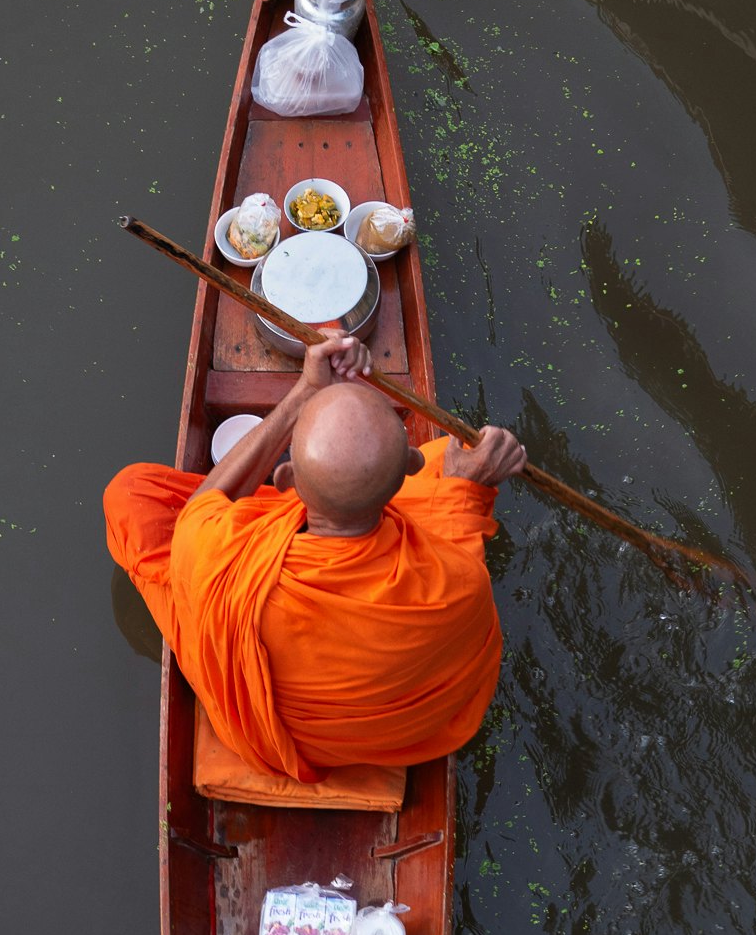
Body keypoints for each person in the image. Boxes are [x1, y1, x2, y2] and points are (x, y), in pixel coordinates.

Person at [103, 332, 528, 784]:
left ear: (287, 480)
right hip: (390, 730)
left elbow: (199, 514)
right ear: (407, 471)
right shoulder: (459, 583)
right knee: (453, 457)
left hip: (257, 732)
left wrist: (303, 393)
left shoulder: (215, 549)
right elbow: (460, 532)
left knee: (131, 495)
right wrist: (467, 492)